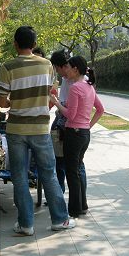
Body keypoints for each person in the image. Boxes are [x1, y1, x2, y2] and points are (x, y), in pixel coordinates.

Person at [0, 26, 75, 235]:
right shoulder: (47, 65)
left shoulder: (7, 67)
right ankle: (59, 219)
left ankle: (26, 224)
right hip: (40, 128)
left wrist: (18, 99)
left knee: (20, 175)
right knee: (48, 173)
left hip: (16, 129)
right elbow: (51, 93)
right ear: (33, 44)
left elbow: (2, 103)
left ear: (15, 43)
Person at [50, 56, 104, 217]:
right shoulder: (89, 86)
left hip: (73, 134)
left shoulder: (76, 88)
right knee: (77, 170)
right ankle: (82, 206)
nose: (66, 70)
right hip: (84, 134)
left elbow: (70, 115)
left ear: (75, 69)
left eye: (68, 67)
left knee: (72, 173)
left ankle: (74, 209)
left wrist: (56, 102)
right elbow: (100, 110)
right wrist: (88, 126)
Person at [49, 50, 87, 193]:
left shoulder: (80, 83)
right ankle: (59, 193)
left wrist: (57, 104)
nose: (58, 73)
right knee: (59, 159)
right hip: (64, 121)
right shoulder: (66, 80)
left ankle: (79, 200)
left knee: (76, 164)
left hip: (72, 126)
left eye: (57, 68)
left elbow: (72, 111)